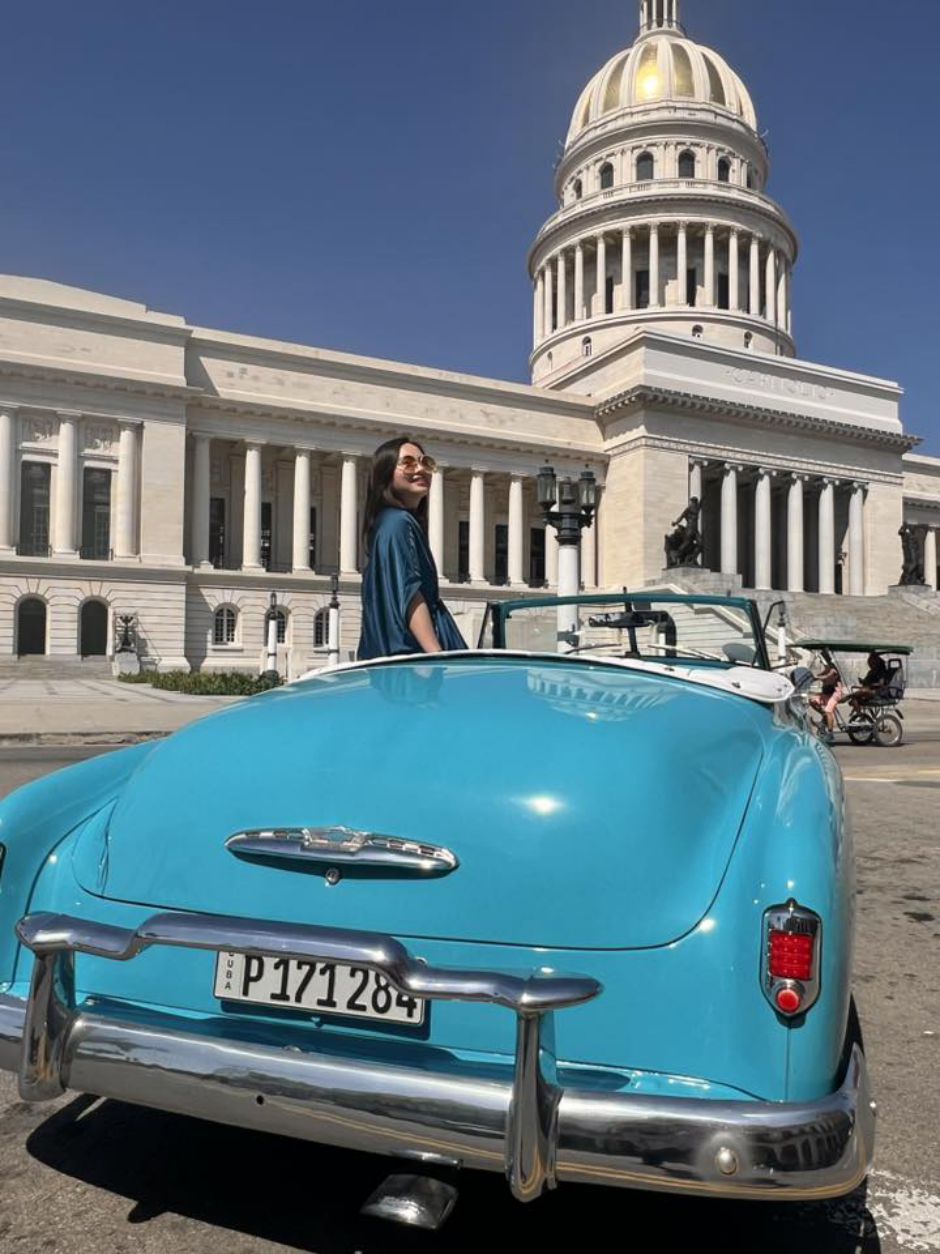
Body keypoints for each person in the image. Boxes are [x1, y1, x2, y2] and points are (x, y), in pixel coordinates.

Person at [358, 437, 468, 660]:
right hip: (413, 659)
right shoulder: (398, 523)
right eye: (407, 463)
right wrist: (436, 654)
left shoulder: (388, 522)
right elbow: (409, 593)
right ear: (385, 473)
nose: (420, 469)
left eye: (425, 462)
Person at [809, 652, 843, 742]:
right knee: (812, 700)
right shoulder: (827, 668)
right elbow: (821, 675)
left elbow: (827, 676)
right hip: (827, 693)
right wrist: (812, 677)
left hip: (835, 693)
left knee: (828, 711)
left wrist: (818, 677)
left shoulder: (833, 669)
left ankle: (831, 733)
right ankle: (824, 717)